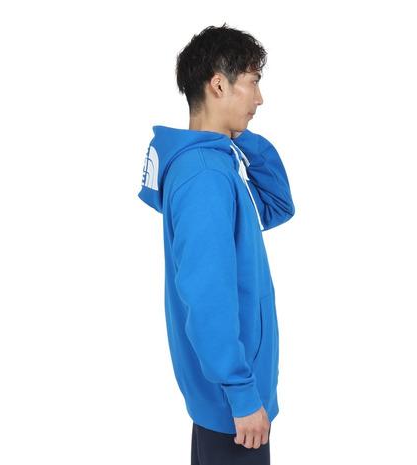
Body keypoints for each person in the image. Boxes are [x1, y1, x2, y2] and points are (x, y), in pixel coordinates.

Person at [138, 23, 296, 464]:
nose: (259, 99)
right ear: (219, 84)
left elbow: (277, 206)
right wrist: (242, 394)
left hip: (225, 400)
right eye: (253, 82)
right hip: (235, 406)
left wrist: (238, 137)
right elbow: (207, 295)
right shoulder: (206, 176)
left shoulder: (215, 164)